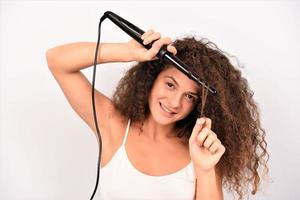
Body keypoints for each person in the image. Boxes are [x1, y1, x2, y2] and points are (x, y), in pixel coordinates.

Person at [46, 29, 269, 200]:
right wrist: (129, 52)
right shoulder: (113, 126)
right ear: (152, 79)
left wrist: (205, 169)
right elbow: (57, 61)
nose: (174, 103)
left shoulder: (201, 151)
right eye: (170, 85)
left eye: (190, 96)